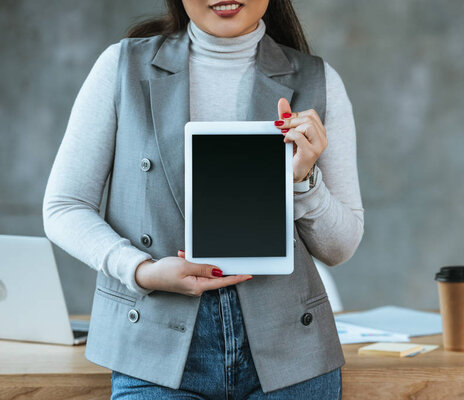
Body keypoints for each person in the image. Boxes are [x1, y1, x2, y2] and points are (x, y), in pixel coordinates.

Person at [42, 0, 364, 398]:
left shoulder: (319, 80)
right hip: (153, 345)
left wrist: (303, 181)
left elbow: (340, 247)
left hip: (291, 353)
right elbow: (64, 206)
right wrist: (139, 269)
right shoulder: (122, 67)